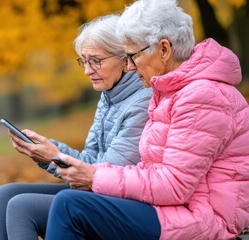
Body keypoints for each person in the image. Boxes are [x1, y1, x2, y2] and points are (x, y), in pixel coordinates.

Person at [45, 0, 249, 239]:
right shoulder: (172, 91)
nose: (129, 67)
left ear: (163, 50)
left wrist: (95, 177)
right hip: (173, 208)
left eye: (132, 56)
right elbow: (152, 169)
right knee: (65, 202)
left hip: (203, 217)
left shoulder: (202, 96)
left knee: (71, 205)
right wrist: (85, 172)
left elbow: (174, 185)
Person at [0, 14, 152, 240]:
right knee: (4, 195)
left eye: (96, 61)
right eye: (84, 60)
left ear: (125, 60)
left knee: (20, 207)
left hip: (122, 201)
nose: (87, 70)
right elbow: (89, 159)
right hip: (98, 191)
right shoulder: (109, 96)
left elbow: (103, 176)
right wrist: (48, 152)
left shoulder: (142, 102)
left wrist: (52, 155)